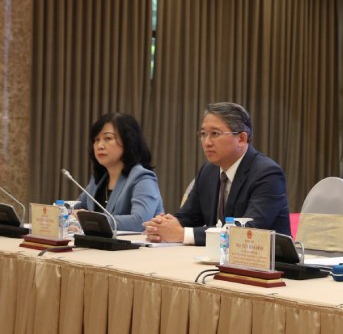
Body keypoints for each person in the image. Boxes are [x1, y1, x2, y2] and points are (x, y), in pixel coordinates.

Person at [144, 102, 291, 246]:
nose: (207, 142)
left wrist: (182, 234)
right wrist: (162, 227)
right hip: (216, 259)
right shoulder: (208, 171)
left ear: (241, 139)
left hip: (267, 264)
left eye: (215, 134)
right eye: (203, 134)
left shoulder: (267, 174)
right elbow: (188, 217)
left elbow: (248, 231)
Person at [75, 112, 164, 232]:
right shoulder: (98, 180)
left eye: (108, 138)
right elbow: (76, 209)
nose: (99, 146)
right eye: (96, 140)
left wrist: (92, 220)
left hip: (133, 249)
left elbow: (140, 221)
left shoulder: (142, 178)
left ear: (128, 141)